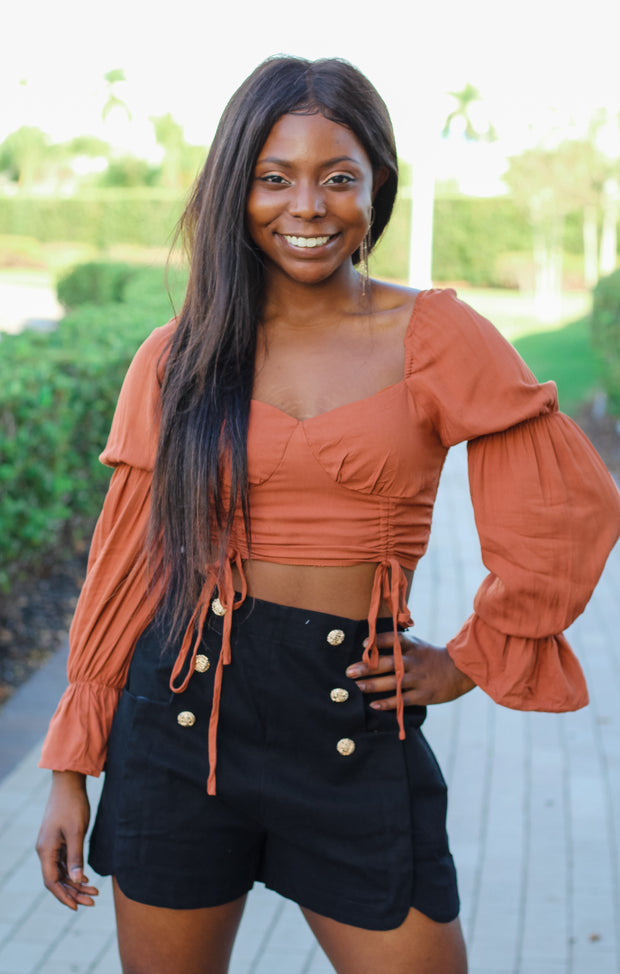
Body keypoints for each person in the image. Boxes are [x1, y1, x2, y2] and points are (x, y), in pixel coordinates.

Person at [36, 55, 620, 974]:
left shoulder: (433, 335)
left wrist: (471, 658)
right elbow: (125, 564)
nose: (306, 206)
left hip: (352, 724)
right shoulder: (178, 355)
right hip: (179, 723)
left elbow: (569, 505)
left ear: (376, 187)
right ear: (237, 188)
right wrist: (71, 768)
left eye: (337, 177)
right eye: (274, 178)